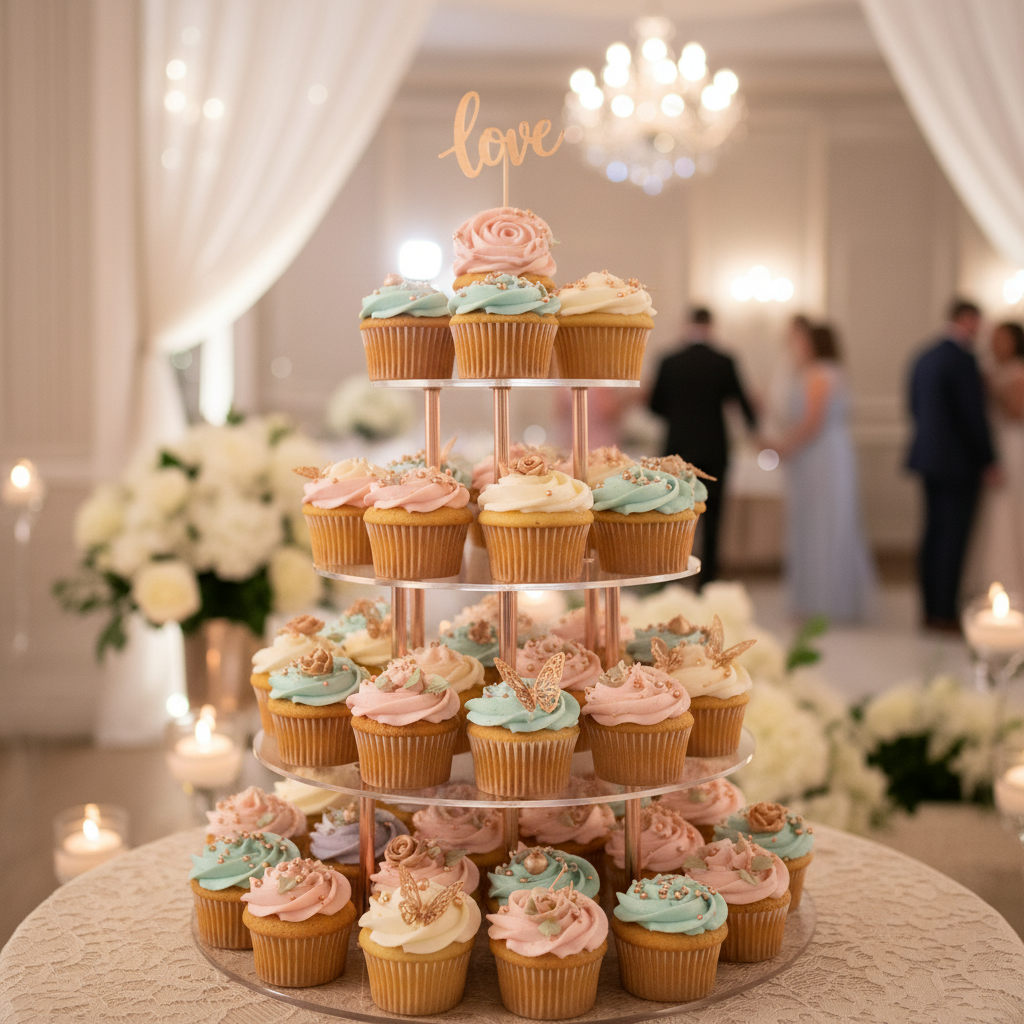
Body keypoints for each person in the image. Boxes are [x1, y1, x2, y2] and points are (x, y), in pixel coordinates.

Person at [763, 321, 876, 622]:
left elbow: (812, 423)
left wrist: (781, 447)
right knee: (828, 523)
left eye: (801, 342)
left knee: (818, 525)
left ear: (813, 343)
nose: (796, 348)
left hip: (819, 457)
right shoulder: (834, 372)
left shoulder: (817, 374)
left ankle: (820, 602)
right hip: (830, 453)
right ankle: (827, 598)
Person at [907, 299, 998, 631]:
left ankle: (929, 608)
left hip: (928, 458)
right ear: (967, 320)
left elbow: (914, 406)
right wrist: (988, 459)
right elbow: (972, 417)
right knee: (952, 539)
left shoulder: (924, 355)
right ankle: (944, 612)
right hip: (958, 464)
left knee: (932, 535)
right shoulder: (962, 360)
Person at [649, 307, 757, 585]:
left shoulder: (669, 361)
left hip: (678, 450)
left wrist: (679, 416)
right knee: (714, 516)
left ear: (687, 325)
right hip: (714, 449)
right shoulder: (724, 360)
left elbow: (654, 406)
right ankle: (706, 581)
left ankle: (669, 575)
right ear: (711, 325)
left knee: (673, 514)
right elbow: (741, 403)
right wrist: (756, 429)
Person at [966, 322, 1024, 595]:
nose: (997, 344)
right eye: (994, 338)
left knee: (1011, 506)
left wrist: (993, 389)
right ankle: (992, 578)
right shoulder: (989, 368)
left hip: (1013, 445)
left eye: (1003, 339)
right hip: (992, 443)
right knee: (991, 513)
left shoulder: (1017, 371)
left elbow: (1017, 412)